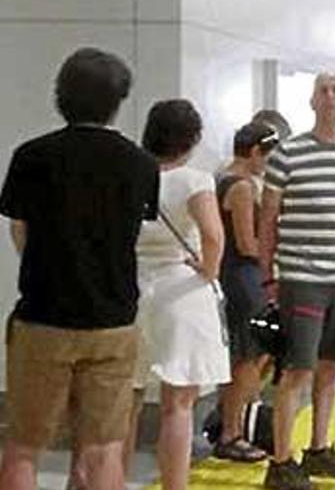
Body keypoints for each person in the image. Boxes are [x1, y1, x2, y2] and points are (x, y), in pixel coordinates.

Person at [0, 48, 159, 490]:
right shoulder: (141, 164)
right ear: (119, 100)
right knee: (104, 447)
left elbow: (21, 231)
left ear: (60, 95)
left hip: (43, 318)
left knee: (24, 447)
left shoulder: (32, 156)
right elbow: (135, 231)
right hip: (112, 321)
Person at [260, 73, 335, 489]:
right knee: (296, 370)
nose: (329, 96)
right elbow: (268, 218)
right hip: (302, 278)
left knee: (331, 366)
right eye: (322, 89)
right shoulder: (287, 154)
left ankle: (319, 449)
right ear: (311, 100)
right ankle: (281, 460)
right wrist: (267, 274)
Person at [132, 99, 232, 489]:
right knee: (178, 404)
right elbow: (212, 235)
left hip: (135, 290)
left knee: (127, 402)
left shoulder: (133, 176)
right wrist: (209, 269)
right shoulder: (195, 179)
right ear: (192, 139)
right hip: (181, 291)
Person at [213, 121, 279, 462]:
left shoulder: (219, 177)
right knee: (248, 358)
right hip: (243, 278)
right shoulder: (240, 187)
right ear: (255, 152)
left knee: (243, 356)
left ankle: (229, 423)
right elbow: (246, 243)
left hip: (231, 276)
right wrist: (275, 252)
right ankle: (231, 432)